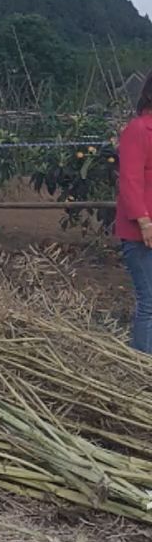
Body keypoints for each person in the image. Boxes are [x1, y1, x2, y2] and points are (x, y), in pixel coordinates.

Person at [118, 72, 152, 352]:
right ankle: (142, 366)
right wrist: (144, 222)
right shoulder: (138, 130)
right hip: (141, 234)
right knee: (150, 301)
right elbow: (130, 179)